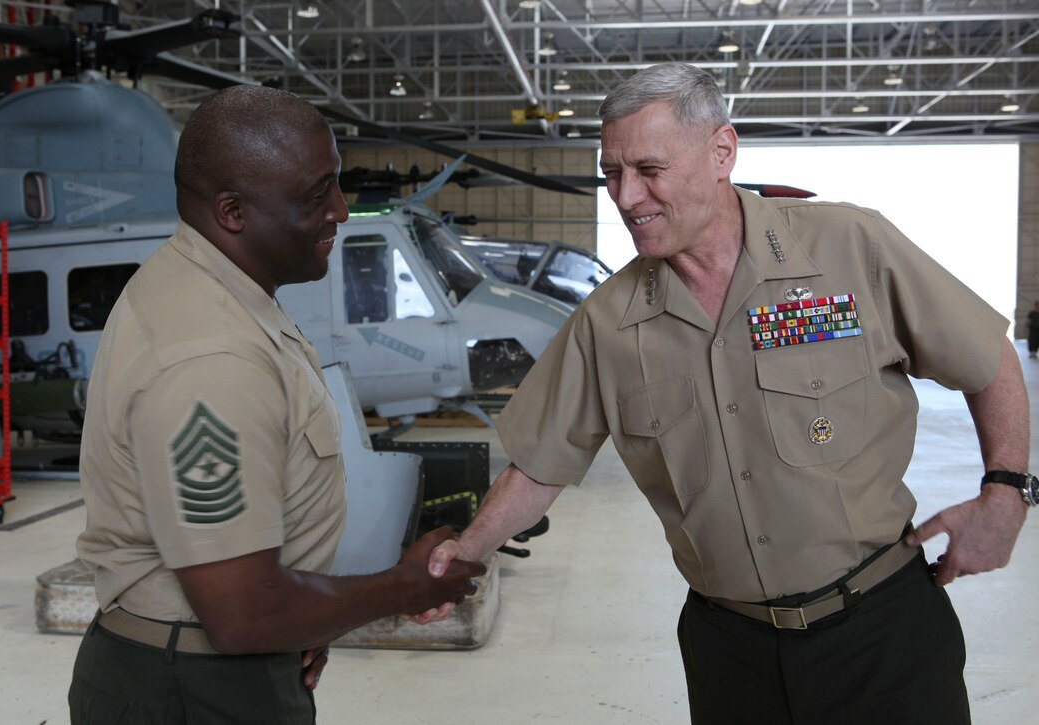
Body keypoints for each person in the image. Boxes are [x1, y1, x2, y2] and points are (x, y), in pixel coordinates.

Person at [420, 63, 1031, 724]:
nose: (626, 197)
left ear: (722, 152)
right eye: (611, 174)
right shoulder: (608, 323)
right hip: (729, 651)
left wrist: (1007, 492)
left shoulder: (850, 248)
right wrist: (466, 553)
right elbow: (539, 465)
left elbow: (985, 354)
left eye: (649, 170)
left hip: (882, 634)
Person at [67, 85, 485, 725]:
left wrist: (299, 620)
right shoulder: (211, 358)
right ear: (232, 211)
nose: (340, 212)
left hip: (213, 667)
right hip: (196, 691)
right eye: (318, 194)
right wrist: (406, 587)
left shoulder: (214, 289)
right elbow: (241, 613)